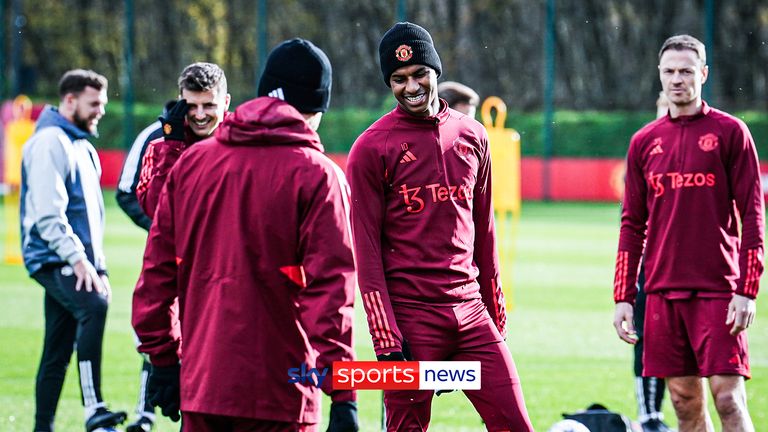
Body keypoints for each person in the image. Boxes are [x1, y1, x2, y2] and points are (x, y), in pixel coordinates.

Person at [132, 38, 359, 432]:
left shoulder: (192, 163)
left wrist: (163, 361)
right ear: (316, 107)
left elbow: (156, 272)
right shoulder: (319, 175)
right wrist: (343, 394)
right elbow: (331, 291)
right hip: (282, 391)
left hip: (204, 383)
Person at [347, 22, 534, 431]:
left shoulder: (473, 136)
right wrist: (386, 337)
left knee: (516, 424)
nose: (410, 86)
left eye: (419, 74)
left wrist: (494, 311)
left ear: (436, 71)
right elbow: (366, 251)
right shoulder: (371, 148)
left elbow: (483, 232)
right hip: (411, 319)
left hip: (471, 314)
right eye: (398, 79)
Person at [613, 35, 764, 432]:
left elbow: (753, 214)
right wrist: (624, 297)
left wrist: (747, 289)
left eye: (686, 71)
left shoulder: (731, 133)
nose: (677, 79)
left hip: (717, 289)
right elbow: (631, 224)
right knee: (683, 403)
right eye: (669, 71)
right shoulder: (645, 141)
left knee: (729, 399)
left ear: (704, 74)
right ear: (659, 76)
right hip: (661, 291)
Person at [20, 69, 127, 432]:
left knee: (57, 347)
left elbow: (91, 220)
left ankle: (42, 427)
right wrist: (81, 261)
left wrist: (101, 268)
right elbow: (49, 215)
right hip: (52, 255)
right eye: (94, 103)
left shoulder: (81, 144)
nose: (101, 111)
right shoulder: (51, 141)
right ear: (69, 101)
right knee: (94, 305)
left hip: (76, 259)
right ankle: (93, 408)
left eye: (104, 103)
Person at [135, 62, 231, 218]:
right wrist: (173, 148)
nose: (200, 115)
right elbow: (155, 211)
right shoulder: (159, 148)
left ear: (226, 102)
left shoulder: (243, 145)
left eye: (208, 105)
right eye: (192, 106)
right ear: (180, 101)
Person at [630, 91, 673, 432]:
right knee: (647, 340)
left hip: (700, 273)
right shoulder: (645, 151)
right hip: (652, 270)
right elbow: (630, 220)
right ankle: (649, 416)